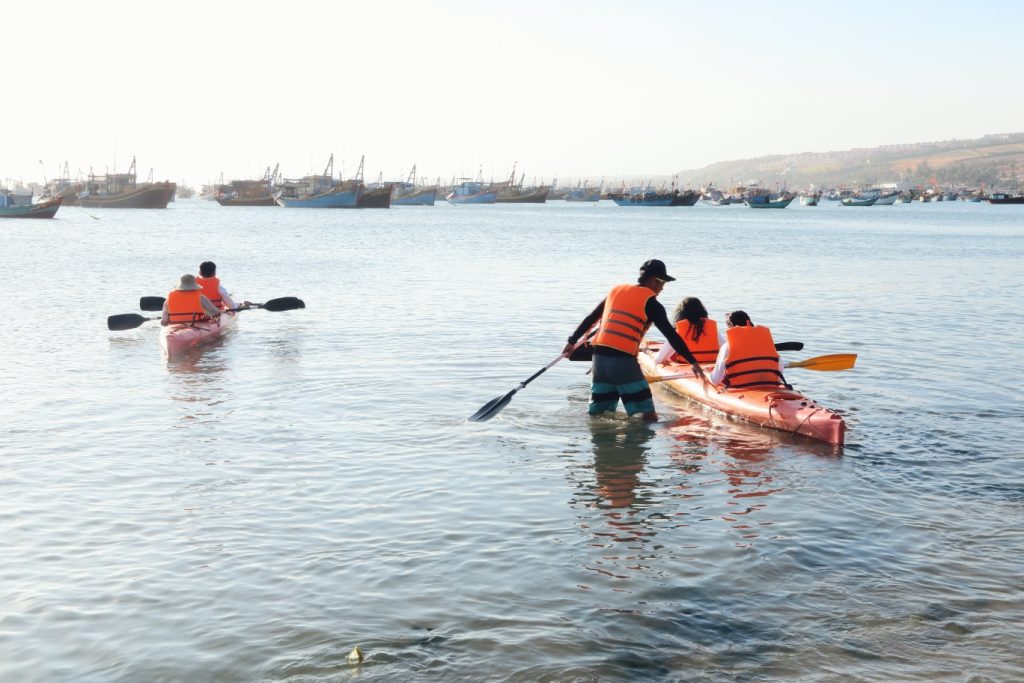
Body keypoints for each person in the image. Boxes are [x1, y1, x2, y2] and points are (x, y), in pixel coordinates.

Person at [562, 259, 706, 422]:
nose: (662, 288)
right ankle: (638, 443)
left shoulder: (615, 292)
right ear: (653, 280)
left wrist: (572, 341)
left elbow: (591, 318)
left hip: (599, 360)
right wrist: (693, 362)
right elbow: (671, 335)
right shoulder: (652, 304)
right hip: (623, 362)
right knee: (648, 416)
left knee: (599, 414)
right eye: (662, 283)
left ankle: (602, 446)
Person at [708, 310, 789, 390]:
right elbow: (779, 374)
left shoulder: (727, 346)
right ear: (749, 322)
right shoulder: (767, 342)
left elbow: (715, 380)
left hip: (741, 389)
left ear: (731, 327)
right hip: (769, 386)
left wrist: (707, 375)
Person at [654, 296, 722, 365]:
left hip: (687, 368)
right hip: (711, 366)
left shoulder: (679, 331)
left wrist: (650, 354)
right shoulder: (714, 330)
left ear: (681, 313)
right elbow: (727, 349)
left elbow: (659, 359)